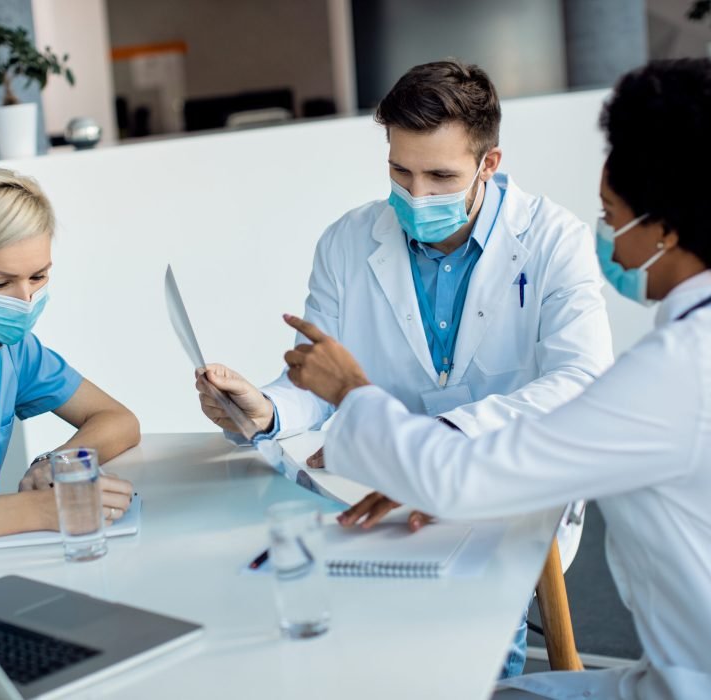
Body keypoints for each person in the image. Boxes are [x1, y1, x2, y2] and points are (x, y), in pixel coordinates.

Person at [278, 58, 711, 699]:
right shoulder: (685, 353)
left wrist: (357, 395)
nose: (606, 241)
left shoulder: (674, 373)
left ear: (665, 231)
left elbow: (467, 473)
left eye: (610, 214)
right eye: (401, 171)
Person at [197, 60, 613, 676]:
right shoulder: (346, 242)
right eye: (400, 171)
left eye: (441, 176)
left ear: (488, 165)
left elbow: (580, 384)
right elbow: (322, 379)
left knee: (461, 659)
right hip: (378, 499)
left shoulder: (554, 240)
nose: (416, 196)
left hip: (500, 489)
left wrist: (431, 450)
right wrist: (269, 408)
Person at [0, 169, 140, 559]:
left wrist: (56, 466)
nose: (25, 299)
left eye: (38, 276)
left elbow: (117, 419)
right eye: (1, 284)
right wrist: (37, 510)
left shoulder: (14, 348)